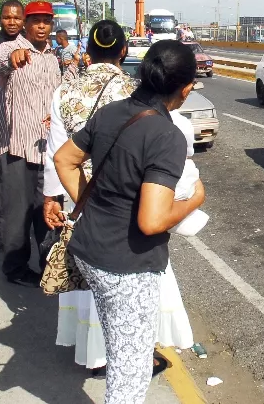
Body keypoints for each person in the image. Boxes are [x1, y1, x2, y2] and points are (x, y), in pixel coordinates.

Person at [53, 39, 205, 403]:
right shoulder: (166, 136)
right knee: (130, 370)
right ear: (185, 89)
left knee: (118, 346)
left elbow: (64, 160)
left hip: (90, 249)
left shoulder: (111, 111)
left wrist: (95, 206)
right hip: (128, 265)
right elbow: (152, 221)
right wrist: (196, 199)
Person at [0, 1, 60, 285]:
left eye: (46, 21)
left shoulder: (53, 58)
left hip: (47, 147)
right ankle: (15, 269)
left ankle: (49, 267)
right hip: (16, 146)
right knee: (16, 214)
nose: (41, 26)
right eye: (36, 21)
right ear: (26, 24)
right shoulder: (9, 49)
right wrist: (15, 56)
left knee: (46, 211)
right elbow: (1, 63)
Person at [0, 0, 24, 252]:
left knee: (13, 178)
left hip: (19, 120)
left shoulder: (29, 45)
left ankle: (8, 227)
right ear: (0, 18)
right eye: (7, 17)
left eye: (16, 17)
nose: (11, 22)